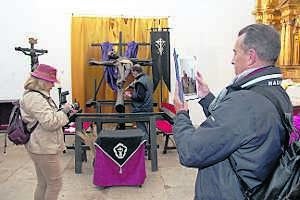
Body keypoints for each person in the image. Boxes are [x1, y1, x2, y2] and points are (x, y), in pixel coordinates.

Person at [173, 24, 293, 199]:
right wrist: (206, 98)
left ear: (251, 57)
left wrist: (181, 114)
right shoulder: (278, 93)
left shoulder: (244, 102)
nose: (232, 59)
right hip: (255, 187)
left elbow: (190, 151)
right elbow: (236, 129)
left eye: (235, 52)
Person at [20, 64, 72, 200]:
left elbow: (48, 117)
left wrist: (63, 112)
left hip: (41, 145)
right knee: (55, 184)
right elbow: (50, 122)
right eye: (51, 82)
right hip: (43, 147)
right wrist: (65, 114)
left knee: (44, 183)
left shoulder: (38, 96)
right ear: (43, 81)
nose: (53, 85)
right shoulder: (35, 98)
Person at [124, 64, 153, 142]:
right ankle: (149, 145)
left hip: (141, 109)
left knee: (142, 129)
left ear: (136, 71)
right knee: (146, 128)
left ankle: (145, 148)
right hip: (148, 107)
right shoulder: (148, 78)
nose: (132, 75)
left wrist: (130, 95)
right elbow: (146, 92)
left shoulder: (140, 82)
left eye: (132, 73)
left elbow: (140, 97)